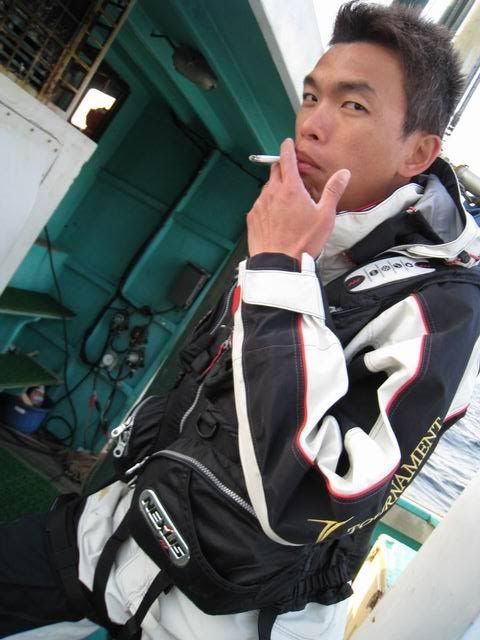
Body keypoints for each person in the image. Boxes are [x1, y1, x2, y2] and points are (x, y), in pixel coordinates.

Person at [2, 2, 480, 639]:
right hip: (113, 534)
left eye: (352, 105)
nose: (310, 125)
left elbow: (313, 498)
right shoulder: (303, 227)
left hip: (226, 617)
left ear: (418, 151)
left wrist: (279, 269)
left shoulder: (446, 309)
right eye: (311, 96)